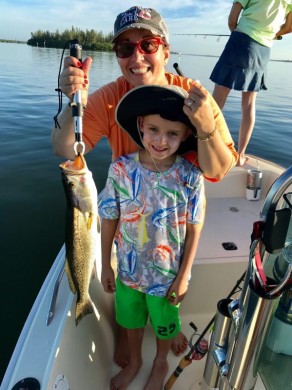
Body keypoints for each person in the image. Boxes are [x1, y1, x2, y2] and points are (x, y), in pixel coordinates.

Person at [51, 5, 237, 367]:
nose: (136, 56)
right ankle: (132, 331)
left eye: (148, 44)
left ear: (165, 51)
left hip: (172, 219)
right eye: (124, 48)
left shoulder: (194, 98)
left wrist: (206, 126)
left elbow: (217, 172)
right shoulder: (106, 96)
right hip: (131, 221)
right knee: (130, 295)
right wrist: (71, 100)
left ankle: (167, 328)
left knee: (170, 292)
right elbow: (64, 148)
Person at [99, 84, 205, 390]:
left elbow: (195, 225)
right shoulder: (121, 169)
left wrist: (183, 275)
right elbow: (109, 218)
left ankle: (160, 361)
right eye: (154, 130)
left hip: (167, 275)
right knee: (131, 322)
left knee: (164, 325)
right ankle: (136, 360)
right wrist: (106, 264)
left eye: (172, 133)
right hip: (129, 272)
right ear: (140, 125)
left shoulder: (190, 177)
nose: (161, 140)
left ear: (186, 134)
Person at [210, 0, 292, 166]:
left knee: (217, 99)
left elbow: (232, 19)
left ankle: (203, 144)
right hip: (264, 48)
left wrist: (238, 34)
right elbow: (289, 27)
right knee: (248, 105)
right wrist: (271, 34)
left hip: (241, 39)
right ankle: (241, 155)